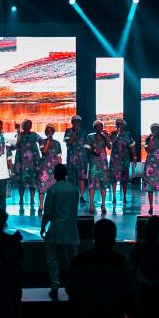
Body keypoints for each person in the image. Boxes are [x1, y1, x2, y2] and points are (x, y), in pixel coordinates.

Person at [40, 164, 81, 298]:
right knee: (72, 261)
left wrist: (42, 226)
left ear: (55, 175)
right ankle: (73, 286)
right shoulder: (75, 190)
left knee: (52, 259)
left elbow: (48, 212)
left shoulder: (52, 190)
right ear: (66, 174)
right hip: (71, 230)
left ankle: (54, 286)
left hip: (56, 230)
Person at [11, 119, 41, 211]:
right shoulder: (19, 134)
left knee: (32, 180)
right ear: (23, 126)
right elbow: (16, 144)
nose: (29, 126)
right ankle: (21, 199)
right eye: (27, 124)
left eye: (30, 124)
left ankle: (32, 198)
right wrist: (18, 132)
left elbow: (41, 141)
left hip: (33, 161)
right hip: (21, 161)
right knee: (21, 181)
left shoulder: (34, 134)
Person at [108, 119, 138, 206]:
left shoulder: (127, 134)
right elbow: (111, 143)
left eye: (120, 124)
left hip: (124, 159)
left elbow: (132, 146)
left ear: (124, 125)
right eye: (117, 124)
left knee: (124, 179)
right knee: (113, 178)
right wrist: (116, 135)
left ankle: (124, 196)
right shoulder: (113, 134)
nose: (119, 125)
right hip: (115, 159)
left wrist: (135, 157)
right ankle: (114, 196)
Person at [85, 120, 111, 214]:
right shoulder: (90, 136)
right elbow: (87, 148)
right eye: (97, 126)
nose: (99, 128)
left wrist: (106, 137)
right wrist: (93, 151)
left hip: (103, 163)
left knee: (103, 183)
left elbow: (109, 147)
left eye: (100, 126)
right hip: (94, 161)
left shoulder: (104, 136)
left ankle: (103, 205)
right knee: (92, 183)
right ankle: (91, 204)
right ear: (94, 127)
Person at [37, 124, 63, 213]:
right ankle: (41, 205)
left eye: (50, 130)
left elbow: (59, 157)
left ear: (53, 132)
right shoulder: (42, 142)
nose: (49, 132)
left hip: (55, 168)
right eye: (47, 130)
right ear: (45, 132)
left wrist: (61, 168)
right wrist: (48, 141)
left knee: (55, 188)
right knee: (42, 187)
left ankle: (54, 205)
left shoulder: (57, 143)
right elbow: (44, 151)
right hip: (44, 168)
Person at [144, 123, 159, 215]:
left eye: (157, 128)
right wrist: (150, 139)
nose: (155, 130)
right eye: (153, 128)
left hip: (158, 166)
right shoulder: (147, 140)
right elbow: (148, 150)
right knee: (150, 187)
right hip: (149, 165)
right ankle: (150, 207)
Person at [65, 115, 88, 200]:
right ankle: (72, 195)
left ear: (80, 123)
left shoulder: (84, 132)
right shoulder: (68, 131)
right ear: (72, 122)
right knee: (71, 177)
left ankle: (81, 195)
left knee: (82, 177)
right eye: (75, 121)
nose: (76, 123)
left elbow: (87, 144)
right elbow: (69, 142)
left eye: (78, 122)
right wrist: (75, 133)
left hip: (82, 158)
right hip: (71, 158)